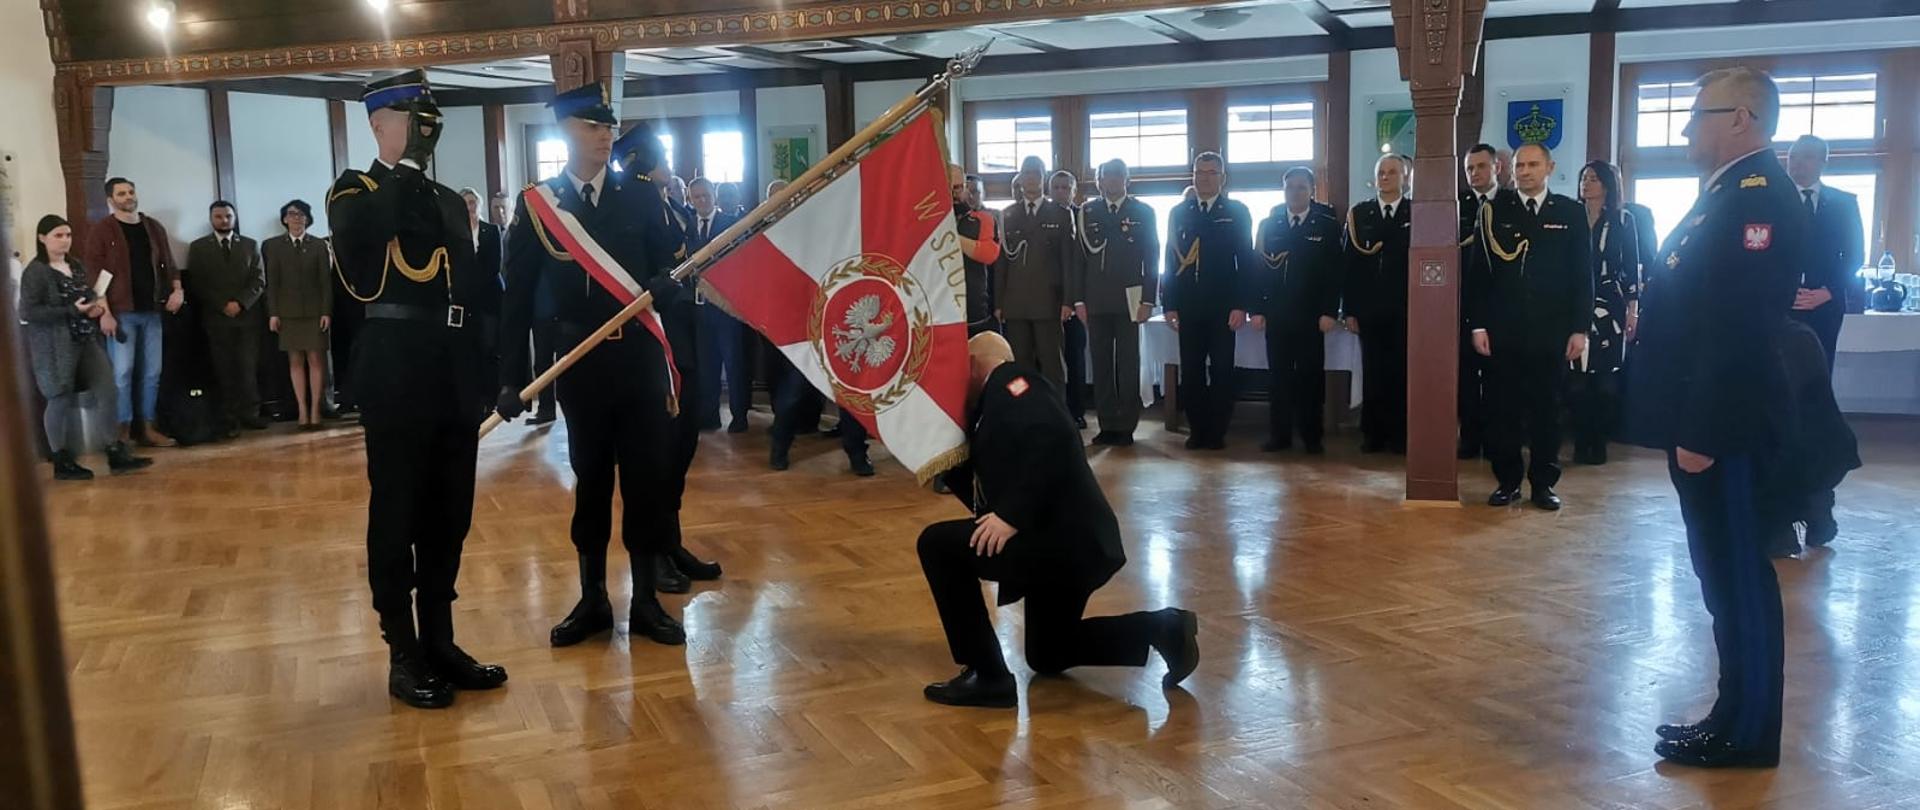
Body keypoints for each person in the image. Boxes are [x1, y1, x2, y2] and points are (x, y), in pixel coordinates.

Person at [1623, 66, 1801, 769]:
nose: (1687, 127)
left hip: (1722, 429)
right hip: (1701, 423)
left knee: (1739, 578)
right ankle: (1732, 712)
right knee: (1719, 578)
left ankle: (1751, 733)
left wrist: (1698, 430)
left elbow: (1738, 332)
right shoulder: (1726, 196)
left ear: (1742, 119)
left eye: (1701, 113)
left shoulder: (1759, 200)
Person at [329, 70, 507, 709]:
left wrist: (490, 370)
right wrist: (401, 168)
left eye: (429, 116)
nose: (426, 126)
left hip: (452, 371)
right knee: (397, 510)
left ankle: (441, 639)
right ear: (380, 124)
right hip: (396, 368)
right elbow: (361, 249)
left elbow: (474, 290)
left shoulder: (444, 200)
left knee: (450, 513)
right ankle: (402, 650)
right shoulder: (355, 190)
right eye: (412, 115)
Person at [496, 82, 689, 649]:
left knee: (647, 477)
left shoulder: (641, 196)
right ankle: (593, 598)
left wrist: (666, 287)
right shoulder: (540, 207)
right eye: (591, 128)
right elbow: (516, 296)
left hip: (639, 359)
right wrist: (510, 377)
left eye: (608, 128)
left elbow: (675, 272)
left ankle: (649, 600)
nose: (605, 136)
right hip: (579, 363)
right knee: (591, 478)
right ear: (566, 133)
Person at [917, 332, 1199, 709]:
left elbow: (1053, 437)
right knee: (1048, 653)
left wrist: (1011, 515)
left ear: (972, 365)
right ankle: (1164, 629)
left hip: (1063, 542)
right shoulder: (989, 407)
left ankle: (988, 676)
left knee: (937, 545)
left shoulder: (1015, 383)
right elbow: (982, 488)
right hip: (1064, 543)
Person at [615, 123, 724, 594]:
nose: (667, 159)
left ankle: (671, 541)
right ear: (640, 159)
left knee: (681, 450)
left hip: (686, 339)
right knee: (656, 455)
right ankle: (654, 554)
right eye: (658, 152)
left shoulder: (671, 205)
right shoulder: (633, 203)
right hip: (656, 344)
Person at [1466, 144, 1591, 510]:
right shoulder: (1493, 209)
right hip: (1503, 331)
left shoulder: (1569, 212)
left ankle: (1543, 484)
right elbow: (1479, 275)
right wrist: (1478, 325)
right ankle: (1507, 481)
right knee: (1501, 410)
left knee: (1546, 411)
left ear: (1549, 167)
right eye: (1520, 165)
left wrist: (1580, 328)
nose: (1525, 171)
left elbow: (1582, 276)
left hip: (1551, 332)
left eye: (1533, 164)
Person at [21, 215, 153, 480]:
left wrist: (93, 308)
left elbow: (86, 295)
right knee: (58, 397)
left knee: (107, 389)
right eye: (58, 235)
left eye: (68, 235)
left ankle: (114, 450)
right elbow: (29, 311)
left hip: (84, 338)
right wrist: (72, 310)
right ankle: (61, 459)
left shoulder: (76, 265)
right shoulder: (35, 271)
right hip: (54, 345)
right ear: (42, 238)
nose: (65, 241)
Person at [1784, 134, 1862, 549]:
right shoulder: (1773, 199)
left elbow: (1854, 257)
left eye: (1808, 158)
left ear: (1823, 162)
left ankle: (1816, 504)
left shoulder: (1843, 203)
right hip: (1779, 312)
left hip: (1823, 312)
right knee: (1780, 395)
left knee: (1814, 394)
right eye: (1794, 157)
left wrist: (1828, 292)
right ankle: (1784, 509)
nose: (1799, 164)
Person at [82, 176, 181, 448]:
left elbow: (169, 264)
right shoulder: (102, 230)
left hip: (152, 311)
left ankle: (147, 426)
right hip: (121, 312)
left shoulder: (152, 227)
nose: (128, 197)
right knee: (122, 374)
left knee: (153, 372)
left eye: (131, 192)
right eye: (121, 193)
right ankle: (122, 430)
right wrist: (105, 312)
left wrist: (177, 289)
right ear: (110, 200)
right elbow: (95, 274)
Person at [1252, 167, 1340, 455]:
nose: (1295, 193)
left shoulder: (1326, 224)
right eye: (1290, 188)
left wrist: (1330, 310)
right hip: (1277, 314)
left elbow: (1333, 272)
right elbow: (1260, 269)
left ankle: (1312, 437)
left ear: (1312, 190)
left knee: (1310, 378)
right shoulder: (1271, 223)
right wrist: (1258, 309)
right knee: (1278, 378)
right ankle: (1280, 436)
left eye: (1301, 188)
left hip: (1311, 315)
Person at [1071, 158, 1157, 447]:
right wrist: (1079, 300)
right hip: (1095, 299)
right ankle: (1107, 423)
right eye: (1106, 176)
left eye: (1118, 175)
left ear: (1127, 179)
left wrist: (1148, 299)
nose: (1112, 180)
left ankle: (1127, 425)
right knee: (1102, 363)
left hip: (1130, 299)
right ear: (1099, 181)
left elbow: (1152, 257)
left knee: (1128, 363)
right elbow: (1078, 261)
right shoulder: (1087, 211)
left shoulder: (1142, 211)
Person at [1569, 161, 1640, 466]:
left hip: (1611, 304)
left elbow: (1633, 266)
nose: (1587, 184)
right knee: (1577, 380)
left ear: (1608, 185)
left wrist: (1634, 310)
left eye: (1594, 179)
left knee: (1605, 381)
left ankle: (1599, 442)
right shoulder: (1570, 216)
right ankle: (1580, 441)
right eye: (1584, 178)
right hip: (1574, 303)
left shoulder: (1623, 220)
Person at [1343, 154, 1412, 454]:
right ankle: (1373, 434)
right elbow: (1349, 265)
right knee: (1373, 372)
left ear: (1405, 177)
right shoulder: (1360, 214)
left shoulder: (1418, 211)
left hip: (1406, 309)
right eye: (1381, 172)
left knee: (1401, 373)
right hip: (1370, 310)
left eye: (1392, 172)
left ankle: (1400, 435)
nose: (1386, 177)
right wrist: (1350, 310)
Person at [186, 200, 267, 433]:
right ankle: (228, 416)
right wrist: (223, 305)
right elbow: (198, 282)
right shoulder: (199, 247)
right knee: (224, 369)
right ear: (211, 218)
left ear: (234, 218)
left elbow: (259, 280)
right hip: (216, 318)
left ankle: (250, 414)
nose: (224, 220)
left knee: (248, 367)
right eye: (219, 216)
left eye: (228, 216)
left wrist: (241, 303)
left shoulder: (250, 245)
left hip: (247, 317)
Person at [997, 162, 1075, 390]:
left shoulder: (1061, 214)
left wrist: (1068, 300)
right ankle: (1022, 415)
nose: (1031, 179)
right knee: (1018, 368)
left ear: (1044, 178)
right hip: (1015, 303)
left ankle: (1055, 417)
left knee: (1052, 365)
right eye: (1027, 174)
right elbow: (1002, 262)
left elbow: (1067, 261)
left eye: (1036, 174)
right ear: (1020, 180)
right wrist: (999, 303)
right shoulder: (1007, 215)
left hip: (1049, 303)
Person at [686, 177, 751, 433]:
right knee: (706, 364)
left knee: (734, 362)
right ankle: (709, 414)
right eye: (696, 197)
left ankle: (739, 415)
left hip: (726, 306)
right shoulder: (688, 226)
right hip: (700, 307)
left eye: (705, 196)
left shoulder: (730, 223)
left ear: (714, 195)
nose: (702, 201)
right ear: (690, 199)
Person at [262, 199, 333, 430]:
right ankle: (302, 411)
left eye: (301, 214)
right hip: (287, 312)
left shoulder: (319, 245)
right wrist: (273, 313)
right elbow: (271, 283)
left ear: (308, 219)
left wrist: (326, 311)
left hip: (315, 312)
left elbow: (325, 282)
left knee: (315, 360)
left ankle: (315, 411)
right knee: (294, 361)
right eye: (292, 214)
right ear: (284, 219)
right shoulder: (273, 246)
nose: (297, 218)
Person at [1457, 144, 1505, 460]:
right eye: (1470, 168)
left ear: (1497, 167)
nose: (1475, 173)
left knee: (1500, 379)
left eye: (1481, 167)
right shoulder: (1455, 205)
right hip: (1461, 305)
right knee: (1465, 379)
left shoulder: (1511, 204)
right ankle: (1470, 439)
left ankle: (1498, 439)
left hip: (1501, 307)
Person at [458, 188, 505, 420]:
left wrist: (472, 282)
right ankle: (474, 398)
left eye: (473, 202)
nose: (471, 206)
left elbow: (494, 265)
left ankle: (491, 398)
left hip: (489, 298)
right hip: (466, 301)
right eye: (466, 203)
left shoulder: (491, 231)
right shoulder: (456, 233)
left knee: (490, 348)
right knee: (471, 350)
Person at [1049, 169, 1089, 429]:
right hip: (1045, 299)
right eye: (1057, 187)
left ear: (1075, 191)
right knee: (1048, 359)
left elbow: (1084, 263)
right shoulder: (1042, 214)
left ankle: (1076, 411)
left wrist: (1075, 300)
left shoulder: (1084, 217)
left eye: (1067, 187)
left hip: (1076, 301)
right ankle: (1051, 409)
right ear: (1049, 190)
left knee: (1075, 358)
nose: (1062, 192)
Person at [947, 165, 1000, 333]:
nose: (954, 193)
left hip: (975, 309)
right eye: (948, 187)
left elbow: (989, 254)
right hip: (939, 310)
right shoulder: (925, 221)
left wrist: (950, 236)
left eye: (958, 187)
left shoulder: (983, 219)